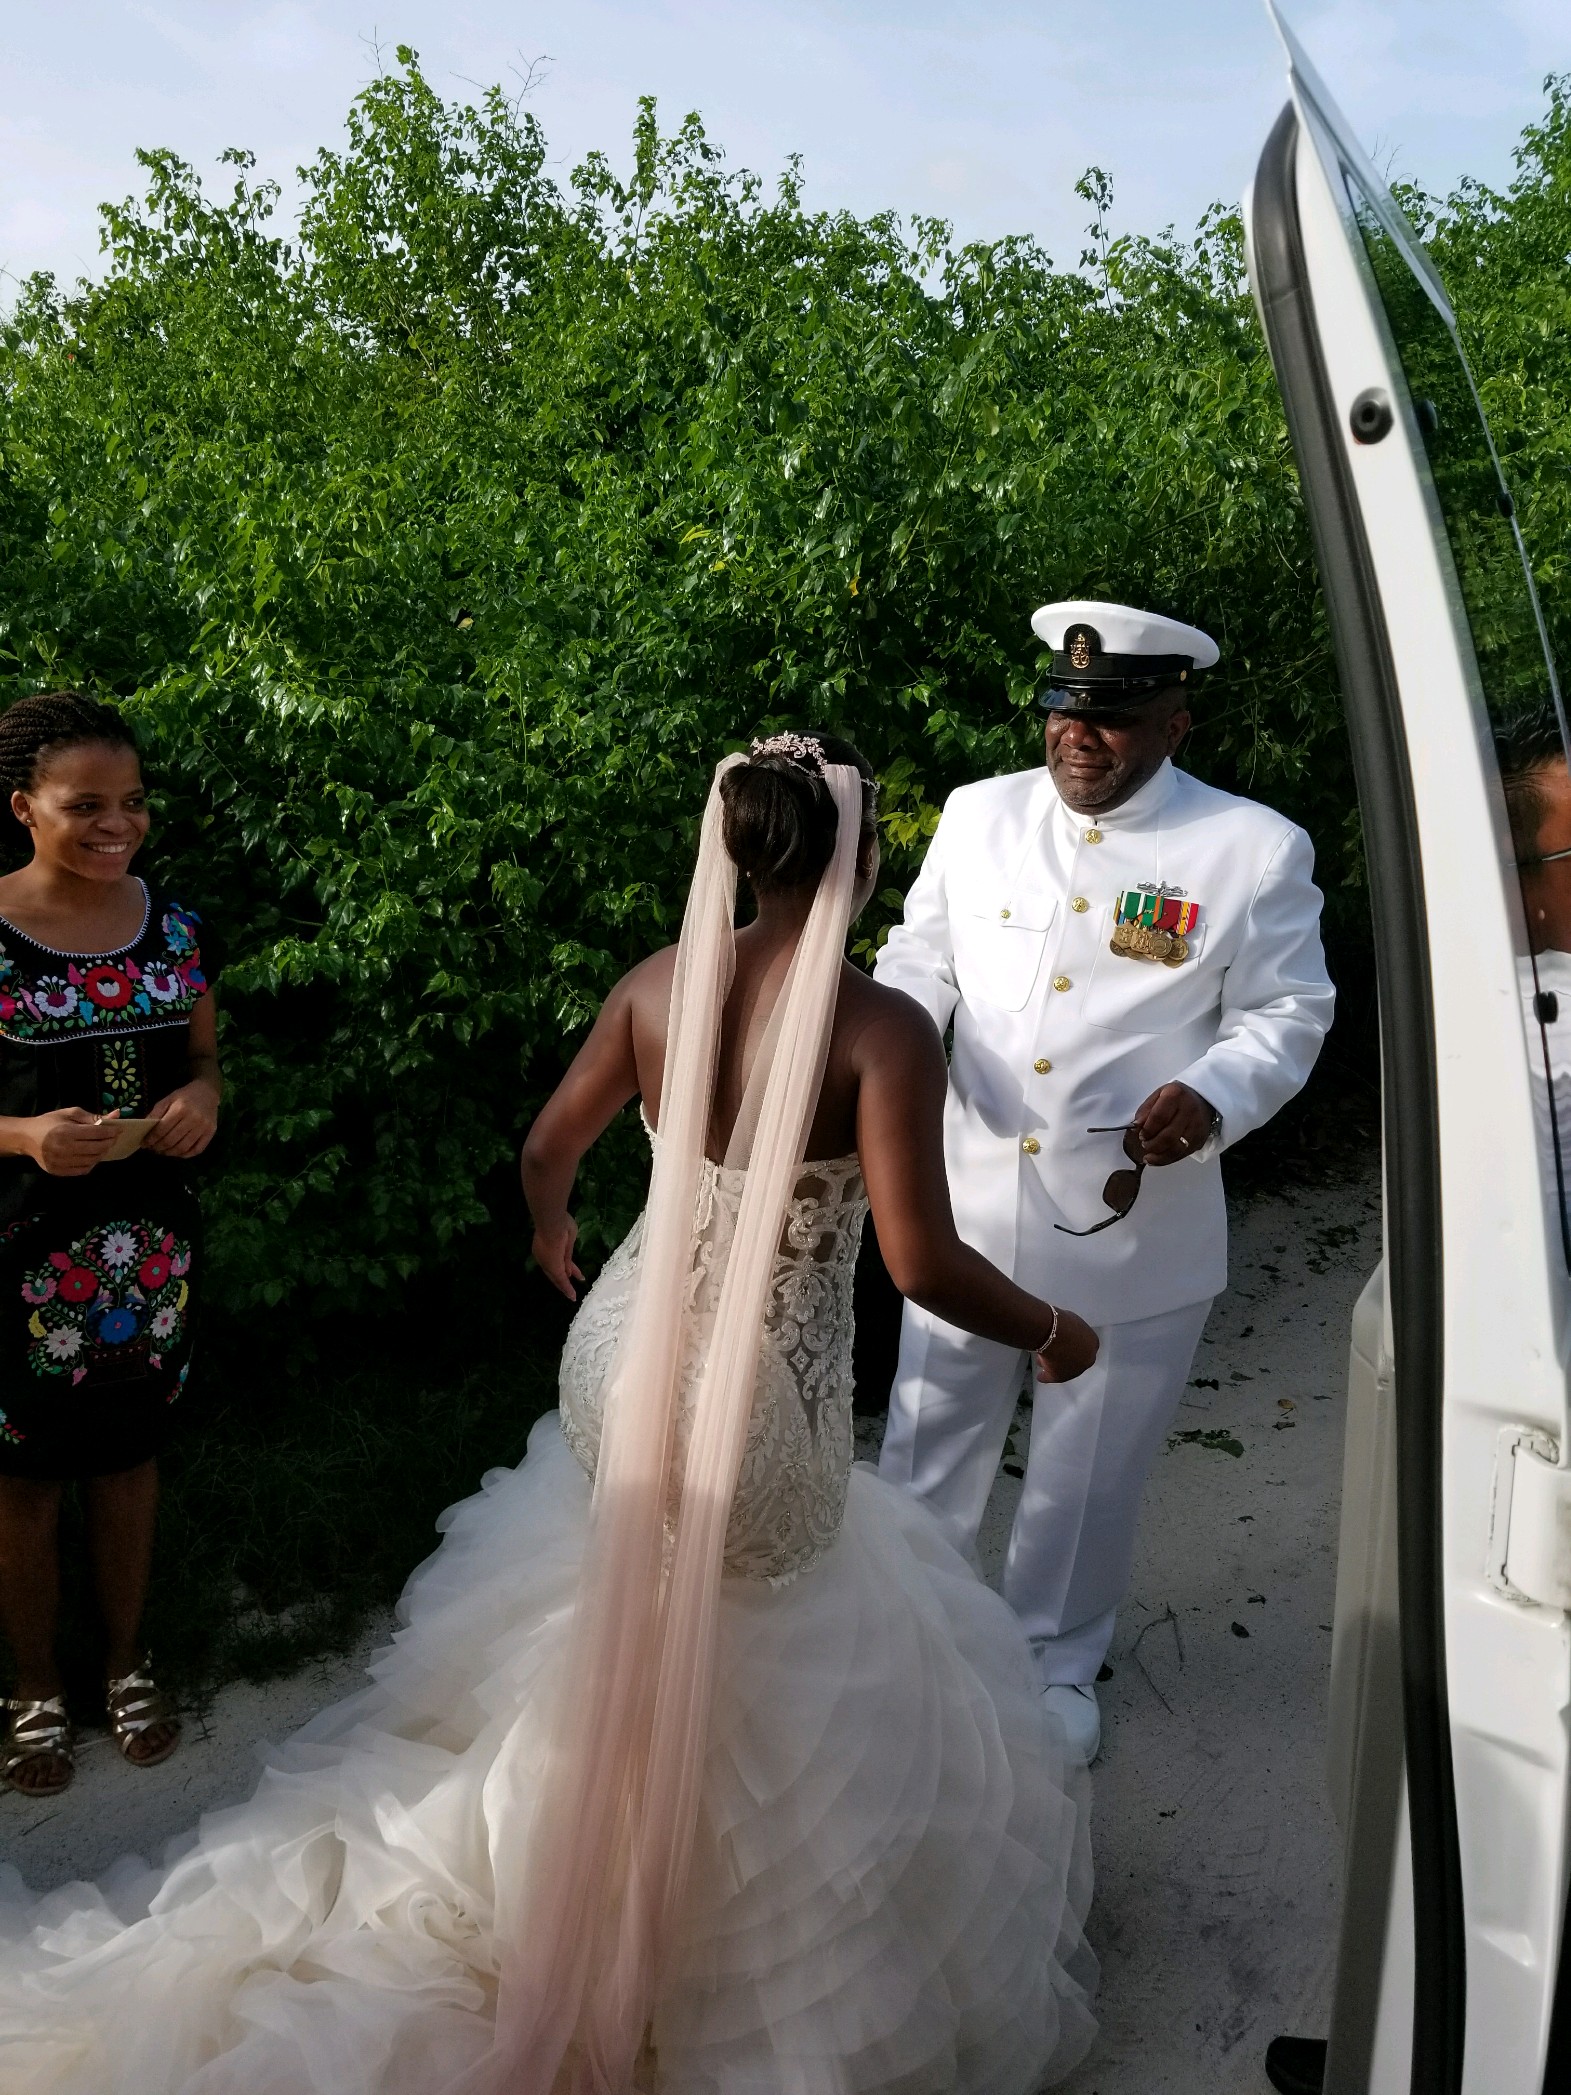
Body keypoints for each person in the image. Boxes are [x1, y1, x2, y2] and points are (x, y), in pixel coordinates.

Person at [0, 732, 1099, 2095]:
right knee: (778, 1651)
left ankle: (562, 1865)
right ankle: (705, 1935)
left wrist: (549, 1230)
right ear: (863, 862)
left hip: (618, 1354)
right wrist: (1054, 1328)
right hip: (762, 1399)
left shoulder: (653, 986)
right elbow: (922, 1263)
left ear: (736, 850)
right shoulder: (878, 1029)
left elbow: (545, 1145)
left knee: (622, 1609)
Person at [874, 601, 1336, 1762]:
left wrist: (1217, 1094)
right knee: (927, 1442)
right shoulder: (979, 817)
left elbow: (1289, 1009)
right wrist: (902, 1062)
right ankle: (900, 1645)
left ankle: (1050, 1665)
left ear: (1174, 722)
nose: (1080, 737)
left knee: (1087, 1471)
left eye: (1114, 718)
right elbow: (917, 958)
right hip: (964, 1208)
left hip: (1133, 1226)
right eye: (1064, 712)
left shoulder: (1251, 848)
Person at [0, 692, 220, 1800]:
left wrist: (202, 1102)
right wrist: (22, 1133)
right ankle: (33, 1686)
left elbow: (203, 1061)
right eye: (84, 803)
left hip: (147, 1252)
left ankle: (126, 1661)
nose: (115, 823)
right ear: (22, 806)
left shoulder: (174, 925)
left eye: (130, 801)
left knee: (128, 1457)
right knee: (23, 1479)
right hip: (17, 1253)